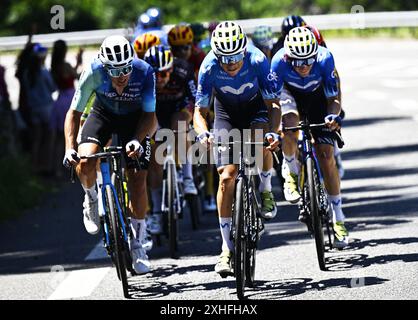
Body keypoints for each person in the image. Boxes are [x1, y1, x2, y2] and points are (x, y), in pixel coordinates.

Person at [62, 35, 157, 274]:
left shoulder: (144, 71)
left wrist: (136, 139)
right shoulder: (93, 72)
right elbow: (74, 113)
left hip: (135, 120)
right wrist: (69, 148)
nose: (122, 75)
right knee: (84, 162)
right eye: (115, 71)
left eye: (126, 68)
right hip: (102, 115)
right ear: (104, 66)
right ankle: (91, 198)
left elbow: (149, 116)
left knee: (137, 178)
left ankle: (138, 244)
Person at [193, 21, 282, 276]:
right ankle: (226, 248)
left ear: (243, 50)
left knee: (260, 139)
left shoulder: (257, 60)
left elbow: (273, 104)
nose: (230, 63)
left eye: (235, 57)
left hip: (256, 109)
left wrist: (274, 133)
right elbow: (199, 111)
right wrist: (203, 133)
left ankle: (265, 189)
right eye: (224, 58)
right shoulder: (209, 66)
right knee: (227, 177)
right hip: (226, 114)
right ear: (216, 54)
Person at [270, 27, 349, 248]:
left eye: (308, 61)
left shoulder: (325, 58)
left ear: (316, 53)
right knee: (291, 125)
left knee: (326, 155)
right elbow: (274, 102)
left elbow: (333, 97)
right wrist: (275, 128)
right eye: (297, 62)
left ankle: (338, 217)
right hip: (289, 94)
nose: (303, 66)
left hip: (317, 97)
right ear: (288, 57)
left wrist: (332, 116)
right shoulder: (278, 62)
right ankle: (290, 170)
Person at [144, 44, 198, 234]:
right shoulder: (142, 75)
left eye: (165, 74)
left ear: (172, 68)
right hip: (156, 112)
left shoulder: (184, 69)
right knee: (155, 159)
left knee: (180, 125)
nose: (160, 79)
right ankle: (157, 212)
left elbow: (196, 99)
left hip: (179, 107)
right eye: (156, 75)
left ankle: (188, 176)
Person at [49, 40, 83, 178]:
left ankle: (56, 168)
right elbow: (78, 76)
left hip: (59, 100)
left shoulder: (54, 67)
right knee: (73, 135)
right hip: (69, 100)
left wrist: (77, 62)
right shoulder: (65, 65)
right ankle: (75, 168)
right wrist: (79, 63)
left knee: (58, 138)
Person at [22, 43, 57, 174]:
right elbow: (53, 88)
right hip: (46, 107)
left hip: (34, 108)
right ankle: (47, 166)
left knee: (37, 138)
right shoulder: (43, 72)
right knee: (48, 138)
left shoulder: (27, 73)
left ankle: (34, 167)